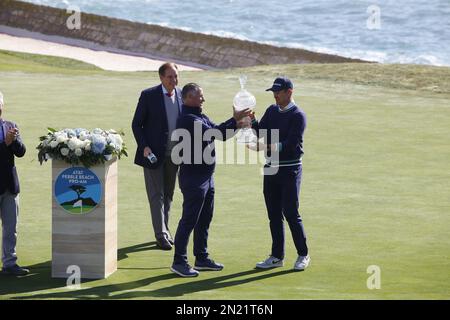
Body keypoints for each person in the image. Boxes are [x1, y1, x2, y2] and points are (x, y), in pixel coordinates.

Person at [170, 83, 251, 277]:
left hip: (206, 177)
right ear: (187, 98)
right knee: (189, 220)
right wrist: (235, 119)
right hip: (194, 179)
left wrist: (238, 124)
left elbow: (218, 131)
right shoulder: (189, 119)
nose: (203, 100)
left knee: (204, 219)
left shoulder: (199, 115)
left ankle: (201, 258)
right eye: (199, 96)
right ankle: (179, 262)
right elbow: (216, 133)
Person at [248, 77, 310, 271]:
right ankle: (277, 256)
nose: (275, 95)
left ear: (289, 92)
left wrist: (265, 146)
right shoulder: (272, 110)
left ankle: (303, 254)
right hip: (271, 168)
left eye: (279, 92)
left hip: (290, 168)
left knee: (291, 213)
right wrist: (252, 121)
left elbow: (291, 144)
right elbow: (261, 132)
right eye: (273, 92)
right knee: (273, 214)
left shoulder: (298, 115)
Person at [131, 62, 182, 250]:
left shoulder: (182, 95)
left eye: (176, 76)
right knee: (156, 195)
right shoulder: (148, 95)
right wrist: (144, 146)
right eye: (170, 77)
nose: (173, 80)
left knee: (168, 194)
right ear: (161, 78)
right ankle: (160, 235)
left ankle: (165, 230)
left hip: (175, 155)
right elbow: (136, 124)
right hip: (152, 154)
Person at [0, 90, 29, 276]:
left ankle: (10, 264)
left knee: (11, 228)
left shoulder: (10, 125)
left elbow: (21, 152)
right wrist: (5, 144)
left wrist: (13, 142)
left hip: (10, 186)